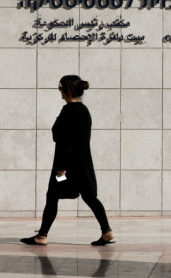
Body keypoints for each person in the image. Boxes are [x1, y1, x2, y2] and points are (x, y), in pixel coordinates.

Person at [21, 75, 115, 246]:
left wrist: (61, 169)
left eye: (61, 88)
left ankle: (41, 236)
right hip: (83, 166)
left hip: (65, 168)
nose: (60, 91)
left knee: (52, 194)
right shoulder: (84, 111)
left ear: (68, 90)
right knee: (90, 196)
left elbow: (63, 141)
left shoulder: (68, 111)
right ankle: (106, 231)